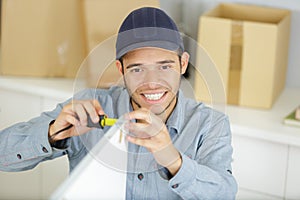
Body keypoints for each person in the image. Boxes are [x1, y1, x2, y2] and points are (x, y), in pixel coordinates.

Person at [0, 7, 237, 199]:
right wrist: (52, 134)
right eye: (137, 69)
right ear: (120, 69)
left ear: (183, 64)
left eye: (165, 66)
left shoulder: (210, 125)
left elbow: (224, 194)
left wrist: (173, 160)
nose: (152, 82)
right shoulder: (89, 107)